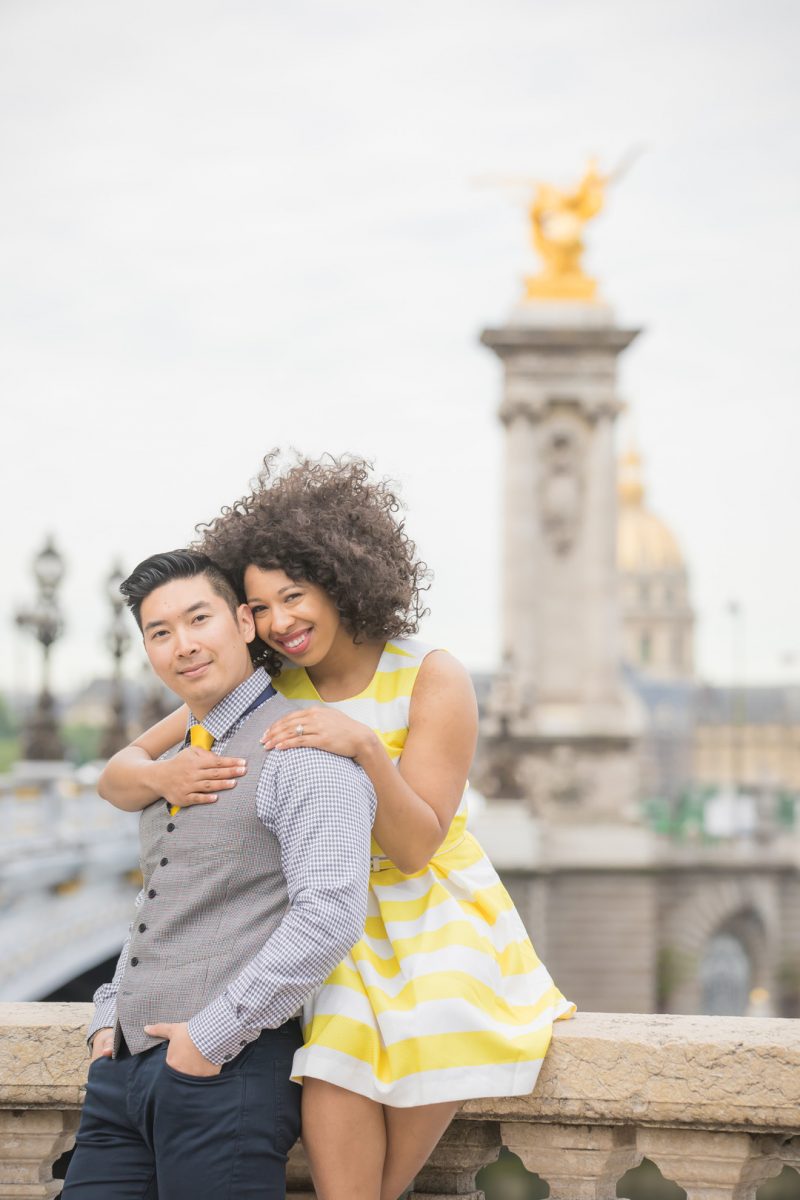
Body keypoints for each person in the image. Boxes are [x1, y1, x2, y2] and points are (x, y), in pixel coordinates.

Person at [99, 456, 575, 1200]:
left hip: (425, 911)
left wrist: (359, 746)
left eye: (296, 596)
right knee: (330, 1070)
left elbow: (416, 846)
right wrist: (163, 777)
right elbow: (119, 772)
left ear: (343, 579)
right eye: (262, 607)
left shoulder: (430, 675)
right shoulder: (270, 685)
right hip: (315, 907)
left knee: (434, 1031)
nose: (282, 624)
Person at [64, 549, 375, 1200]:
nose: (183, 645)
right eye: (160, 632)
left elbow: (329, 914)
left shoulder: (302, 751)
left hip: (220, 1072)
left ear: (241, 623)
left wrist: (207, 1042)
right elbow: (161, 901)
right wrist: (108, 1016)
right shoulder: (173, 762)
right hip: (122, 1074)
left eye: (198, 619)